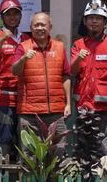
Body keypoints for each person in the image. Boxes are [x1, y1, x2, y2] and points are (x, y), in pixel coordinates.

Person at [71, 0, 107, 155]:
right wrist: (78, 58)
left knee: (104, 150)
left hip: (104, 109)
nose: (94, 21)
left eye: (98, 18)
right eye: (90, 18)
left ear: (104, 21)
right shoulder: (78, 45)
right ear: (85, 21)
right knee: (83, 150)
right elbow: (72, 72)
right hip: (83, 107)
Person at [12, 11, 71, 147]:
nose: (39, 28)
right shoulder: (23, 47)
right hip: (30, 113)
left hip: (55, 112)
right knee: (30, 155)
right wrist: (23, 59)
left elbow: (66, 76)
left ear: (50, 27)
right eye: (36, 25)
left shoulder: (59, 47)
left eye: (43, 25)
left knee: (58, 152)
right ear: (31, 27)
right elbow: (15, 71)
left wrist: (68, 103)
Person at [0, 0, 30, 159]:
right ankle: (0, 175)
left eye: (16, 13)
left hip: (25, 99)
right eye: (8, 14)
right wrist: (0, 42)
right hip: (4, 99)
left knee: (25, 143)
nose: (13, 17)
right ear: (2, 17)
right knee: (3, 142)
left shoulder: (27, 39)